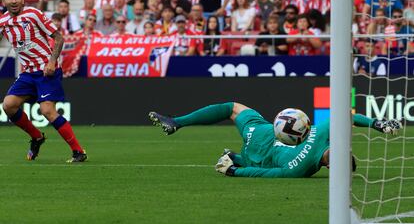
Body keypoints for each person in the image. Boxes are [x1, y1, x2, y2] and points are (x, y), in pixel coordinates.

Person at [148, 103, 401, 177]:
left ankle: (233, 155)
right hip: (262, 132)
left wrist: (236, 170)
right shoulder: (320, 139)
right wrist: (377, 123)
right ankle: (176, 121)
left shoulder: (302, 166)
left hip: (258, 147)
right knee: (231, 108)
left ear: (331, 166)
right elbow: (346, 115)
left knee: (232, 110)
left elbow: (269, 175)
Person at [0, 0, 87, 163]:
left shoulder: (34, 14)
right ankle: (37, 137)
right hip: (27, 74)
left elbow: (59, 38)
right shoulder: (3, 22)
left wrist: (52, 61)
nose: (14, 1)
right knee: (8, 105)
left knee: (47, 110)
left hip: (46, 70)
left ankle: (78, 151)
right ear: (3, 0)